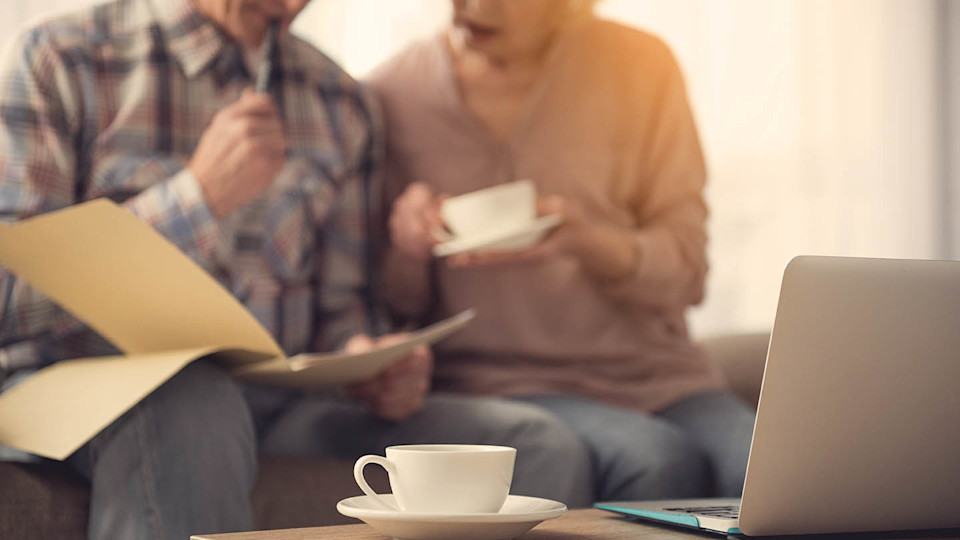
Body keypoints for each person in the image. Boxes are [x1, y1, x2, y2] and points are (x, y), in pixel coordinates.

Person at [0, 0, 594, 538]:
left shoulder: (339, 99)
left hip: (280, 402)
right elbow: (10, 299)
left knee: (539, 446)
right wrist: (197, 200)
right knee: (194, 404)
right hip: (83, 393)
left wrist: (369, 358)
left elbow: (344, 307)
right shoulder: (61, 58)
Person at [371, 0, 756, 503]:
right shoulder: (391, 93)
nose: (477, 7)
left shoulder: (640, 66)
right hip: (498, 385)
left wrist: (587, 242)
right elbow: (390, 310)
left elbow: (688, 271)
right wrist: (407, 249)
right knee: (657, 461)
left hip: (661, 378)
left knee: (781, 479)